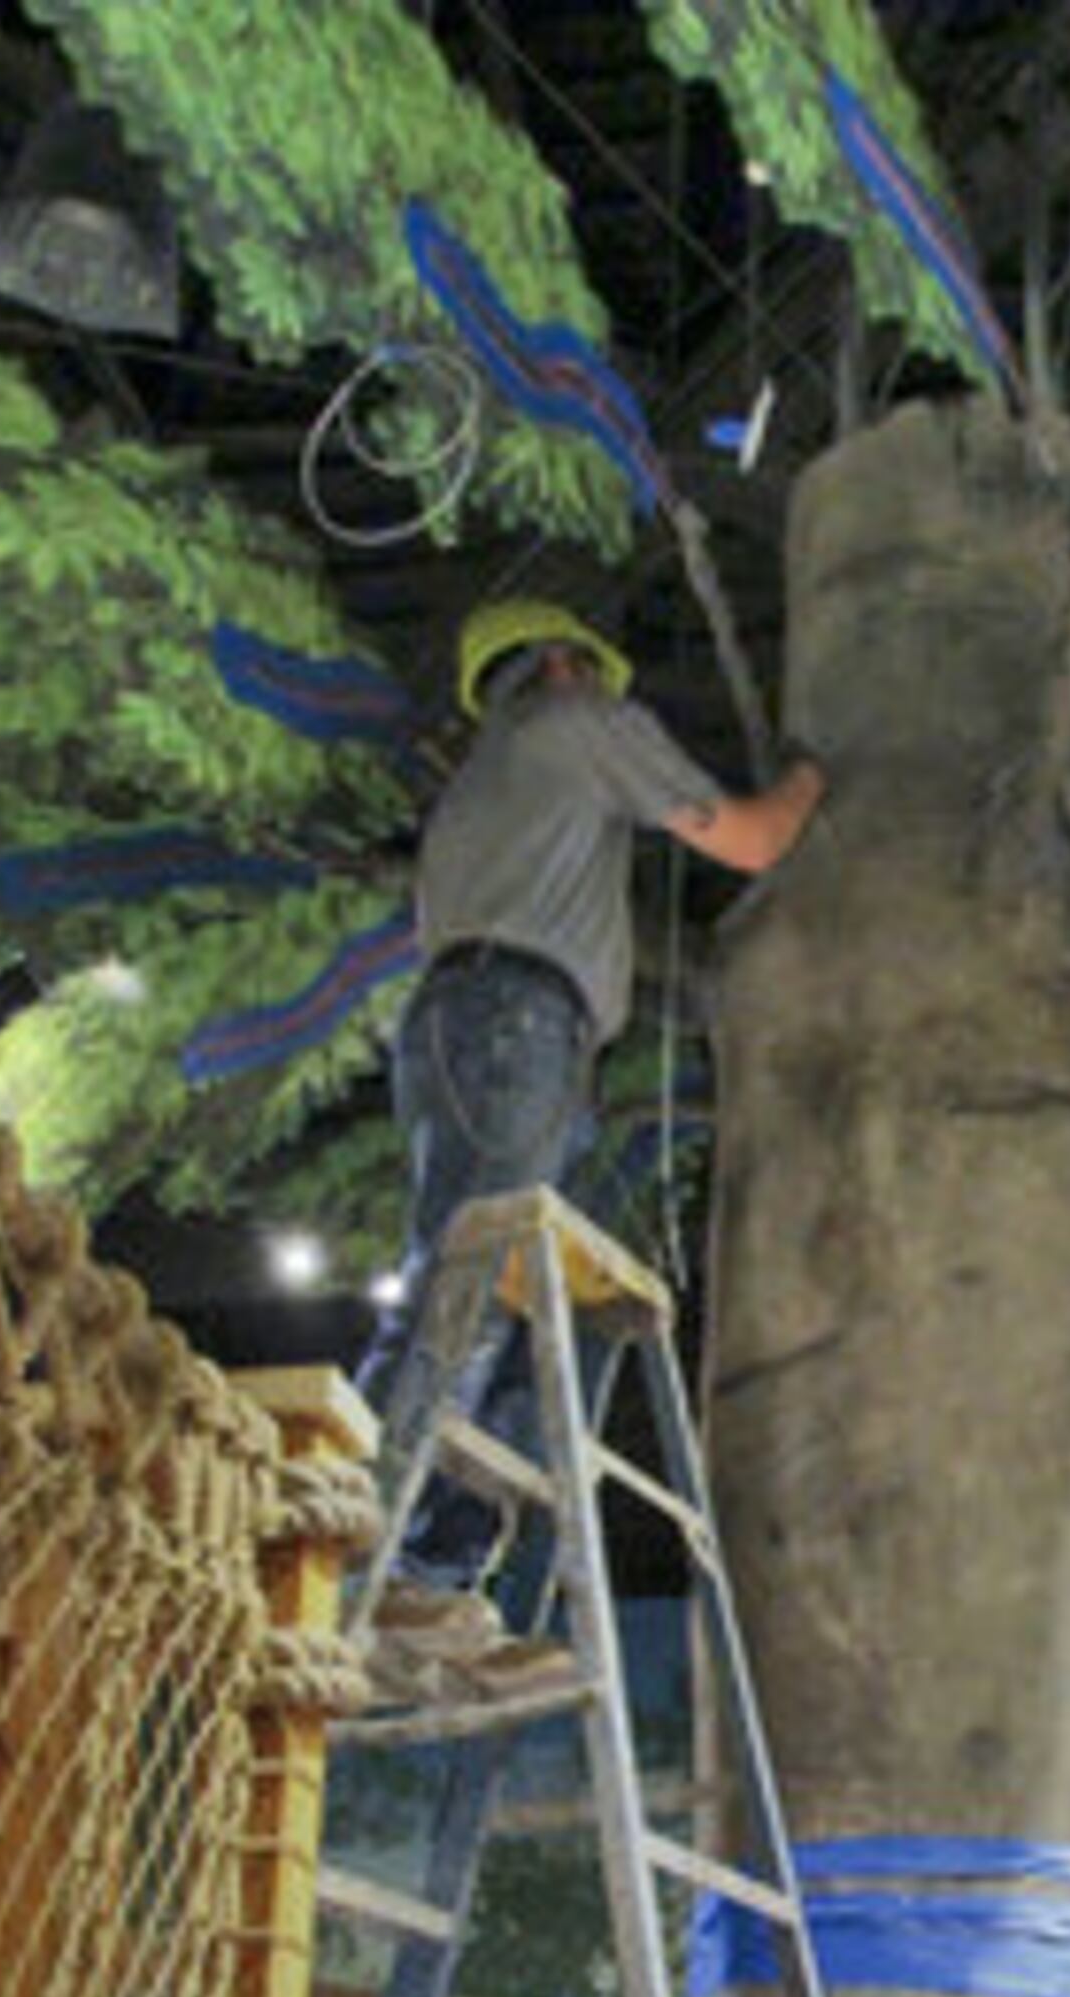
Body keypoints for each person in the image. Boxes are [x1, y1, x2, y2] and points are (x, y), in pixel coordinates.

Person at [361, 598, 825, 1669]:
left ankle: (426, 1575)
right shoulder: (576, 722)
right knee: (466, 1287)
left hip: (475, 1028)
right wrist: (810, 777)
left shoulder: (481, 786)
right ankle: (356, 1547)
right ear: (566, 665)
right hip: (518, 1024)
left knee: (511, 1307)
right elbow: (753, 840)